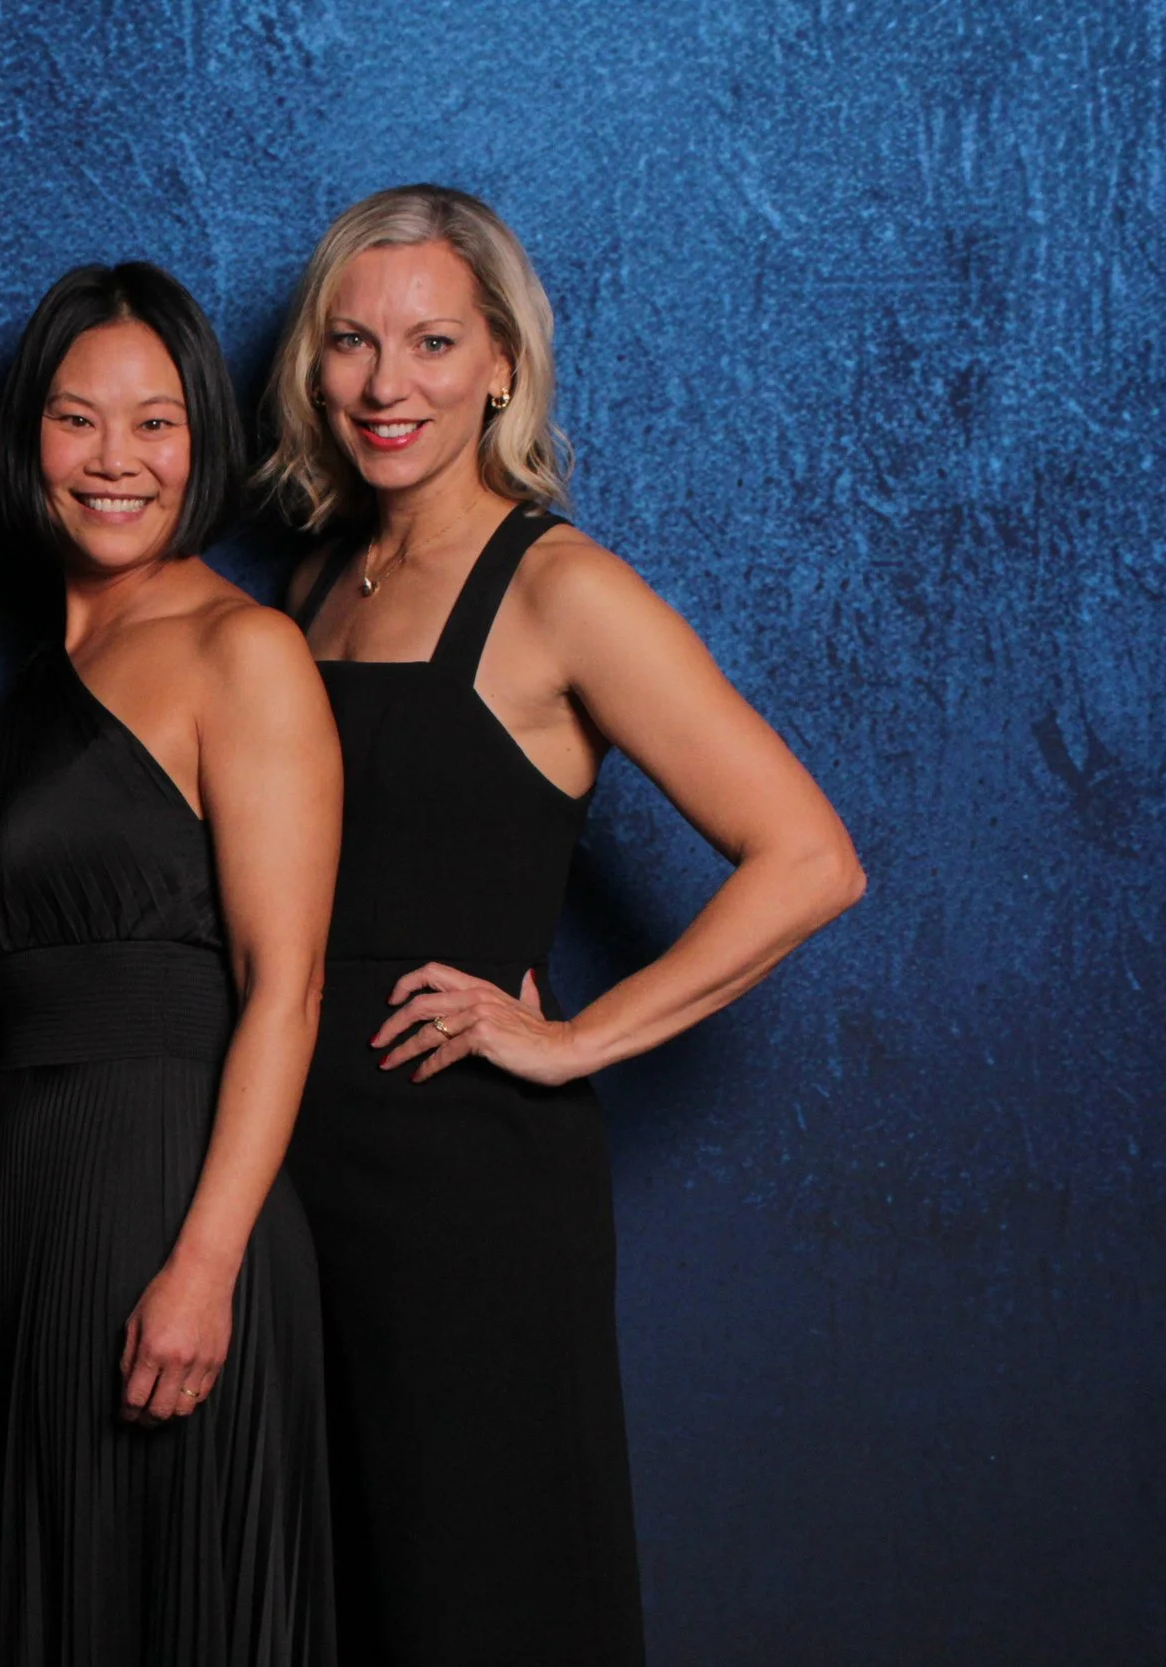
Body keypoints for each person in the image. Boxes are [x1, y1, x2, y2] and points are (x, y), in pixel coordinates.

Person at [264, 184, 868, 1665]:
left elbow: (808, 856)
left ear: (502, 367)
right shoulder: (315, 588)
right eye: (352, 341)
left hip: (468, 1190)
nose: (386, 383)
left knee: (487, 1589)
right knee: (350, 1601)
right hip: (297, 1177)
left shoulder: (561, 587)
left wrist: (574, 1036)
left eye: (430, 341)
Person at [0, 263, 342, 1666]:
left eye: (156, 423)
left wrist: (206, 1260)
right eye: (76, 419)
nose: (114, 460)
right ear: (28, 439)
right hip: (27, 1202)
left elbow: (285, 983)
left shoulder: (245, 650)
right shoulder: (29, 682)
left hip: (169, 1192)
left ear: (206, 442)